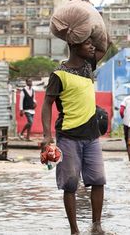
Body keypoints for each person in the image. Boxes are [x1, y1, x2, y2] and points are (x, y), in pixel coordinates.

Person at [41, 37, 109, 234]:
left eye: (91, 43)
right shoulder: (59, 75)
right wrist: (47, 135)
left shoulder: (88, 67)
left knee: (98, 180)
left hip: (92, 136)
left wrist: (91, 25)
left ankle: (96, 225)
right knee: (70, 184)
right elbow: (47, 104)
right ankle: (74, 230)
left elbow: (106, 43)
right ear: (73, 45)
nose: (92, 47)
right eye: (87, 43)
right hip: (68, 136)